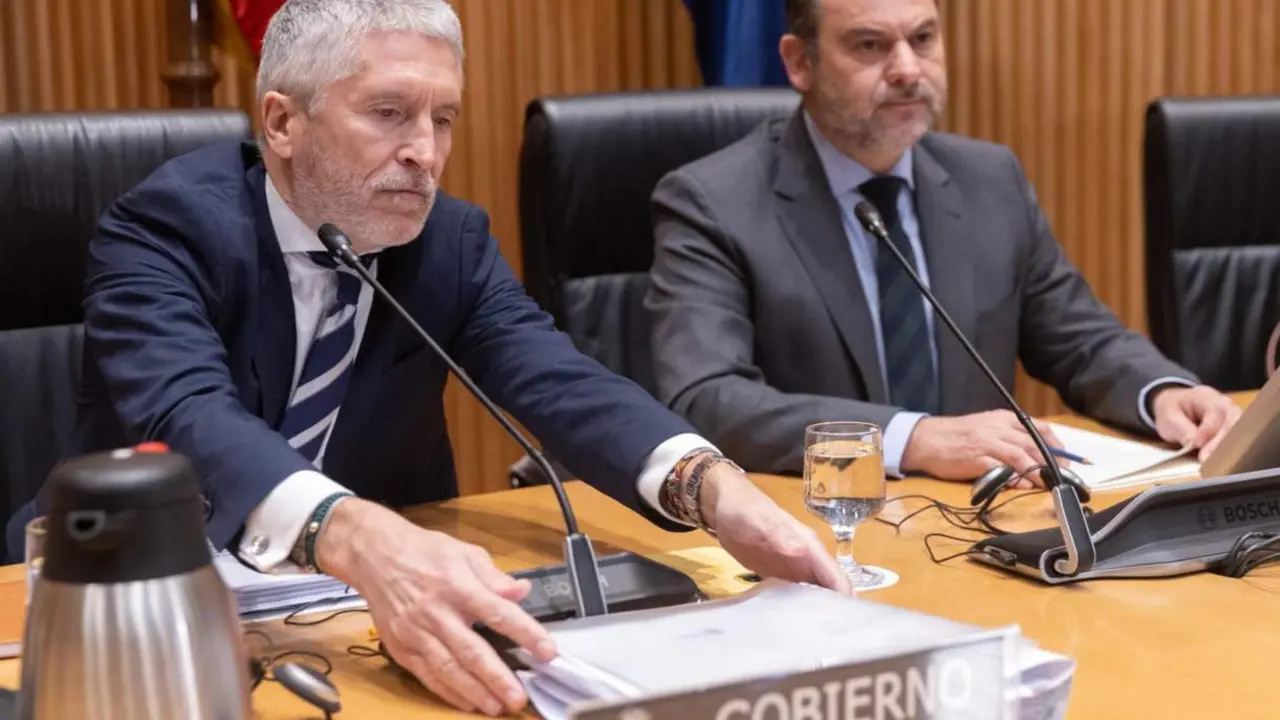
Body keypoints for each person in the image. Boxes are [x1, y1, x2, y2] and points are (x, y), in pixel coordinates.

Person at [4, 0, 850, 715]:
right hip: (123, 609)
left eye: (442, 119)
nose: (425, 151)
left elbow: (555, 377)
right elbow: (185, 417)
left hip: (361, 622)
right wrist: (352, 532)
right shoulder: (163, 228)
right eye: (388, 114)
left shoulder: (448, 242)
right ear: (281, 122)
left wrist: (709, 485)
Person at [645, 0, 1241, 482]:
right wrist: (913, 438)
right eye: (870, 46)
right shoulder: (713, 201)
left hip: (982, 527)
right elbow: (707, 398)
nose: (908, 69)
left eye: (923, 39)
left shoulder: (989, 179)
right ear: (799, 62)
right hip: (817, 538)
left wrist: (1162, 392)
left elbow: (1080, 339)